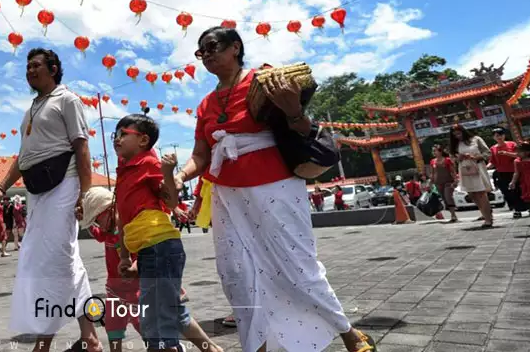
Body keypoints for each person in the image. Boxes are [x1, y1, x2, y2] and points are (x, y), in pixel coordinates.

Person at [174, 26, 375, 352]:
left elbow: (299, 125)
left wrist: (294, 110)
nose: (207, 55)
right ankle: (257, 347)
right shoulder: (206, 104)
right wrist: (182, 175)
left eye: (212, 47)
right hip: (227, 196)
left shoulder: (265, 81)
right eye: (201, 52)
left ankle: (349, 333)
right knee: (235, 274)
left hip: (275, 187)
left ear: (235, 47)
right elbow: (201, 153)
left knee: (296, 266)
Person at [0, 48, 102, 352]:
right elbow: (22, 158)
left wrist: (85, 194)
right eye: (27, 66)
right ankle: (90, 338)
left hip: (65, 184)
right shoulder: (31, 110)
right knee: (50, 259)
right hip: (36, 190)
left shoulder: (68, 99)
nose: (29, 71)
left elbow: (82, 147)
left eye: (35, 65)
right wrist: (0, 188)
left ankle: (44, 341)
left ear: (53, 69)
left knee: (57, 258)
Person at [79, 186, 223, 352]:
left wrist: (134, 267)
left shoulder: (132, 226)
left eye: (98, 219)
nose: (99, 225)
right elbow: (98, 233)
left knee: (161, 322)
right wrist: (86, 219)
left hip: (141, 288)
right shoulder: (108, 231)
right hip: (116, 289)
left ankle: (192, 347)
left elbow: (146, 251)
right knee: (114, 327)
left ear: (109, 210)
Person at [113, 110, 187, 351]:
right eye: (116, 134)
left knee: (157, 321)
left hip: (160, 246)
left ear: (143, 140)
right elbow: (124, 220)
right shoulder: (125, 171)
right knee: (153, 320)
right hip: (150, 251)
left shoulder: (148, 162)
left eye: (124, 134)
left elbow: (172, 202)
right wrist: (125, 257)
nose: (117, 138)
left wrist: (167, 172)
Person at [450, 124, 494, 228]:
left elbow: (487, 153)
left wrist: (475, 157)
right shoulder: (455, 144)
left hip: (478, 167)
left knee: (481, 193)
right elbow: (452, 158)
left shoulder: (476, 139)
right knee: (472, 194)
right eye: (455, 134)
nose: (457, 136)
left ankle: (488, 219)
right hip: (465, 170)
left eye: (459, 133)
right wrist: (458, 158)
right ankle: (485, 213)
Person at [488, 128, 526, 218]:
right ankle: (516, 209)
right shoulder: (493, 148)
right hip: (502, 173)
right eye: (496, 135)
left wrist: (506, 153)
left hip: (515, 171)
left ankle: (529, 207)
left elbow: (519, 155)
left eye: (500, 135)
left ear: (504, 135)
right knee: (508, 192)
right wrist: (485, 168)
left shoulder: (512, 144)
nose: (499, 137)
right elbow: (492, 161)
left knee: (519, 190)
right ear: (494, 137)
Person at [511, 141, 530, 225]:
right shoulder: (517, 162)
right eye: (516, 151)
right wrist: (513, 182)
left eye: (519, 151)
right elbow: (516, 173)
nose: (517, 153)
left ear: (527, 152)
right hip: (527, 183)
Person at [430, 145, 459, 223]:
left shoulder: (447, 160)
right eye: (433, 151)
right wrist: (430, 183)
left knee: (448, 196)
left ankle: (453, 215)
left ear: (440, 151)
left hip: (448, 182)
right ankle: (452, 213)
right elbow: (432, 173)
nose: (434, 152)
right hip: (438, 183)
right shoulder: (432, 161)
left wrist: (456, 180)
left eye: (435, 151)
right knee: (444, 199)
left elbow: (453, 171)